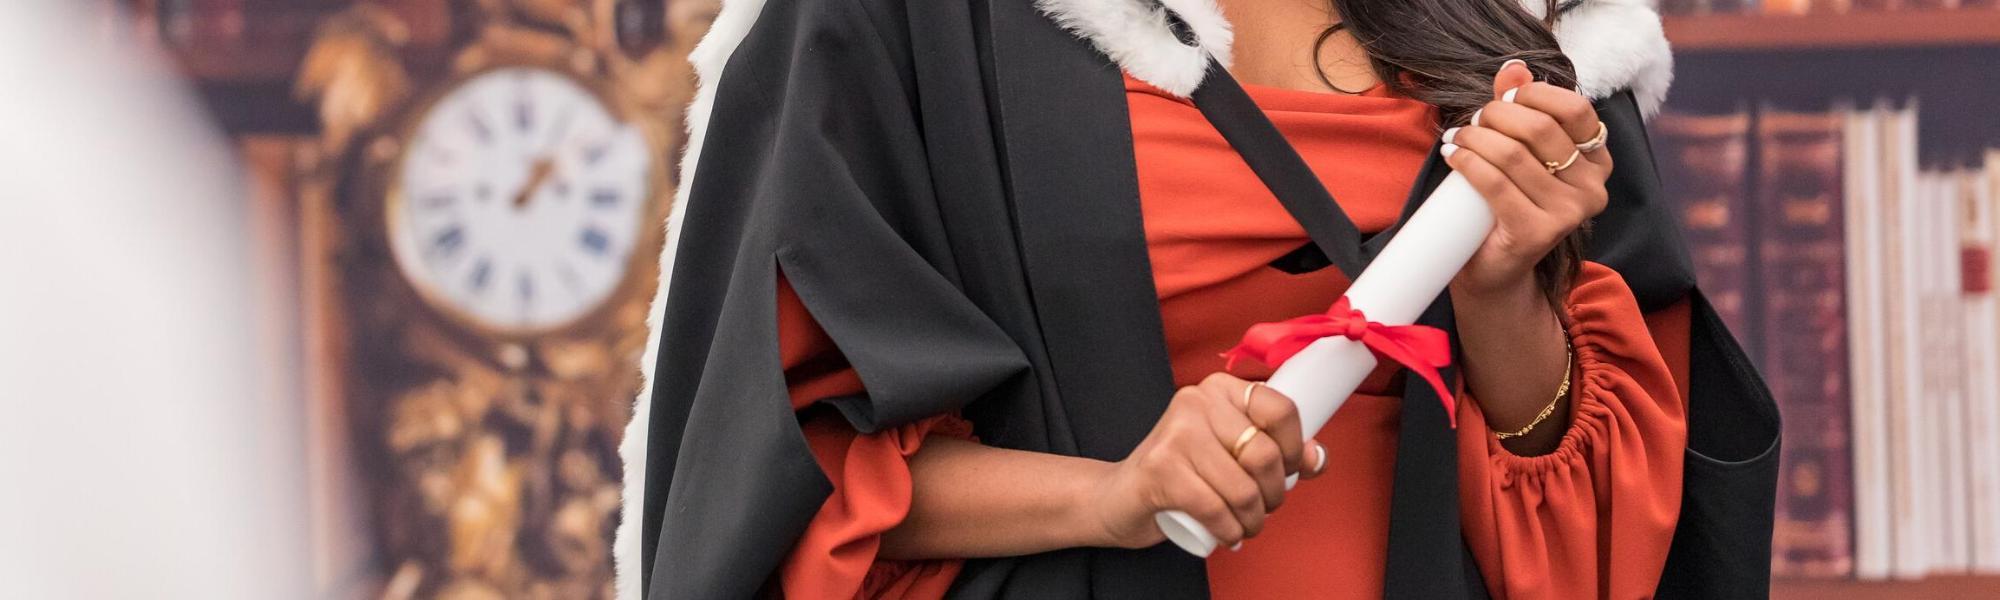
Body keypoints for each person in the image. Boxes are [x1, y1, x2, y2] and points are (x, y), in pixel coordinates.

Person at [619, 0, 1772, 598]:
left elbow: (1598, 549)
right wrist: (1116, 494)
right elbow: (780, 480)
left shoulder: (1523, 31)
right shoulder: (899, 30)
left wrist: (1499, 291)